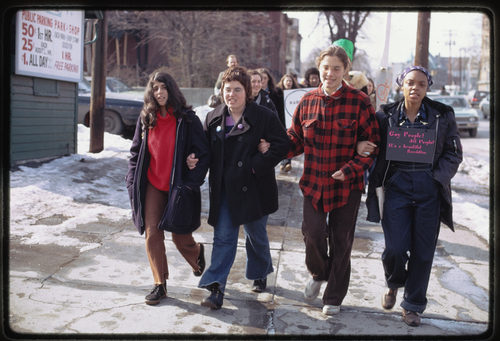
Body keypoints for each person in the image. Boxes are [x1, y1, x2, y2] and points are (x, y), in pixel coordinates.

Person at [263, 45, 380, 315]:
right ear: (320, 67)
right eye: (326, 67)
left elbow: (373, 143)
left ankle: (334, 297)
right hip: (314, 182)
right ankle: (318, 273)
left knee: (342, 239)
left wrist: (351, 169)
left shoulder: (359, 101)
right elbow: (295, 140)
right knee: (312, 235)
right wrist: (273, 149)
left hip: (347, 186)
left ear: (346, 70)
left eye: (337, 68)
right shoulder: (307, 101)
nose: (330, 73)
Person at [367, 66, 463, 327]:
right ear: (401, 85)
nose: (415, 88)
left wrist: (436, 179)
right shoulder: (385, 115)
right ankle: (394, 282)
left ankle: (413, 305)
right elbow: (371, 146)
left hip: (428, 189)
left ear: (428, 86)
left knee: (423, 252)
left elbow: (454, 153)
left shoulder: (443, 115)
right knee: (395, 249)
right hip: (396, 187)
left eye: (421, 83)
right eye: (410, 82)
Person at [196, 66, 289, 310]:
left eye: (237, 90)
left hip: (255, 188)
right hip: (225, 190)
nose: (232, 95)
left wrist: (256, 165)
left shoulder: (264, 116)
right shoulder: (214, 117)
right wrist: (193, 161)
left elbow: (282, 145)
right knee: (224, 238)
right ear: (222, 91)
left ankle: (260, 271)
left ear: (247, 92)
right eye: (228, 90)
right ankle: (216, 288)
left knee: (255, 234)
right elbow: (205, 152)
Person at [126, 70, 211, 305]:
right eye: (155, 88)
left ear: (171, 90)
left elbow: (203, 155)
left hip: (178, 188)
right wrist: (132, 181)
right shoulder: (146, 119)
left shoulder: (187, 119)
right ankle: (159, 284)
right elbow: (135, 154)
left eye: (163, 88)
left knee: (180, 238)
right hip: (153, 185)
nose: (159, 92)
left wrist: (192, 182)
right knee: (153, 233)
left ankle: (196, 254)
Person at [276, 73, 301, 172]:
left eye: (290, 81)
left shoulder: (296, 94)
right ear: (283, 82)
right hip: (281, 122)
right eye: (286, 80)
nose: (288, 82)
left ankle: (286, 162)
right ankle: (284, 162)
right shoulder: (278, 94)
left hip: (291, 122)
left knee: (289, 141)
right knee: (283, 142)